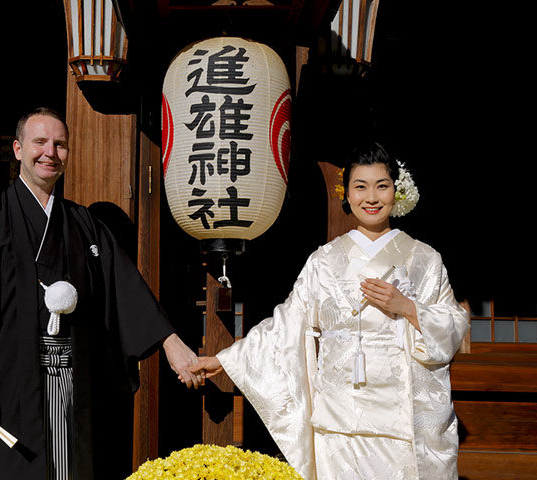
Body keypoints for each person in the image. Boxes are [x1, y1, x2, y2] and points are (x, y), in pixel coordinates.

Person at [0, 107, 201, 480]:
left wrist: (171, 344)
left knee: (69, 468)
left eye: (60, 145)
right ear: (18, 149)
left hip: (72, 382)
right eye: (40, 142)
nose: (50, 153)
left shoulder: (85, 224)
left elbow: (125, 289)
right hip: (6, 383)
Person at [192, 141, 470, 480]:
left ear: (396, 191)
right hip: (340, 419)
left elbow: (452, 325)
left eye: (382, 186)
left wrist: (406, 306)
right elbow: (287, 324)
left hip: (402, 422)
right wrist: (225, 359)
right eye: (360, 187)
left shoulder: (424, 259)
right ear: (348, 195)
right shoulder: (323, 261)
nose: (371, 197)